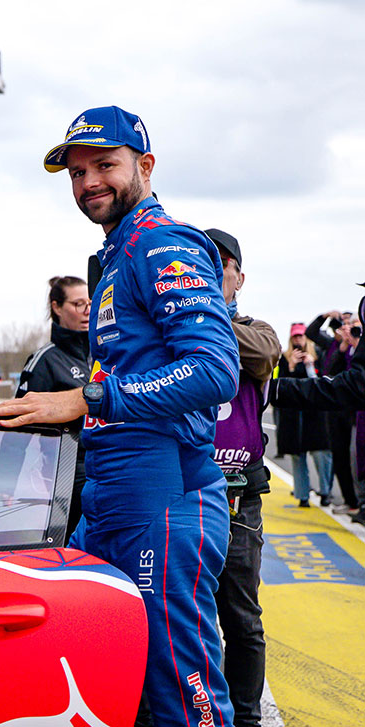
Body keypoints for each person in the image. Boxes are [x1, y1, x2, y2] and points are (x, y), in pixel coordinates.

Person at [0, 105, 239, 727]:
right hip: (110, 503)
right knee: (103, 679)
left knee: (180, 694)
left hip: (164, 502)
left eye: (104, 165)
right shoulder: (118, 255)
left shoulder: (162, 243)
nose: (88, 182)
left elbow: (214, 370)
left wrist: (87, 400)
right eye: (77, 173)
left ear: (145, 166)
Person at [202, 227, 279, 727]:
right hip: (187, 492)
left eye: (221, 266)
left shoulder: (258, 331)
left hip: (239, 500)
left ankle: (247, 718)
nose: (211, 273)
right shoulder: (174, 326)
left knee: (242, 619)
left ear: (239, 277)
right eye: (202, 265)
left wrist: (202, 314)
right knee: (187, 616)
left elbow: (265, 356)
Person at [0, 275, 90, 537]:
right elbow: (19, 421)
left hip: (108, 468)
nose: (87, 311)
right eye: (78, 304)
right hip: (67, 474)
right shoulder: (45, 361)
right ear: (57, 307)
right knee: (73, 546)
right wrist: (4, 480)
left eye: (90, 303)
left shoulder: (104, 355)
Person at [270, 293, 365, 525]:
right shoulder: (332, 347)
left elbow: (340, 382)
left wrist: (271, 389)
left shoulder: (320, 352)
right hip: (309, 412)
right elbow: (335, 374)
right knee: (315, 457)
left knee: (325, 456)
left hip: (327, 413)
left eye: (357, 327)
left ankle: (328, 493)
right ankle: (315, 495)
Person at [304, 309, 357, 509]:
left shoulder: (358, 348)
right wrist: (325, 316)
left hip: (353, 410)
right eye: (342, 324)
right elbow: (329, 372)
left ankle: (358, 501)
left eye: (350, 325)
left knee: (354, 457)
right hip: (334, 409)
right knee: (339, 455)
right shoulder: (333, 345)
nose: (345, 328)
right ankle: (351, 501)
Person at [276, 324, 333, 507]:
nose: (298, 340)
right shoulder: (285, 358)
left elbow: (322, 384)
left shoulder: (317, 355)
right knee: (297, 455)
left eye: (300, 336)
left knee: (321, 454)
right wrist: (291, 366)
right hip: (293, 413)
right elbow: (280, 384)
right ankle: (302, 494)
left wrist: (310, 366)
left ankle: (325, 492)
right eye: (295, 337)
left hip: (314, 413)